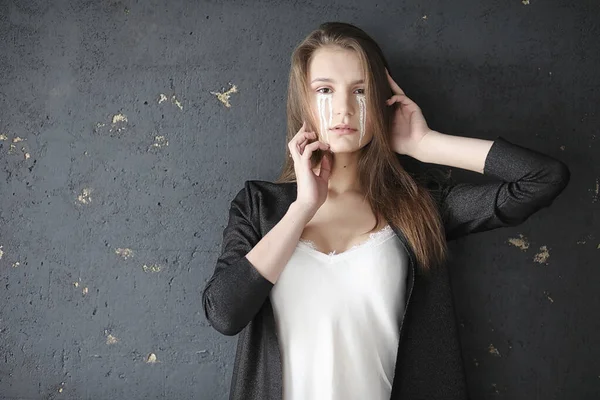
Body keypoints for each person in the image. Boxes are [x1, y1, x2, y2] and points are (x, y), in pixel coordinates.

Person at [202, 22, 570, 400]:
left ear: (380, 100)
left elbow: (542, 178)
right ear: (304, 104)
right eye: (325, 90)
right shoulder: (259, 205)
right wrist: (302, 208)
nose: (344, 108)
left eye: (360, 91)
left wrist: (426, 144)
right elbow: (225, 314)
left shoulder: (419, 205)